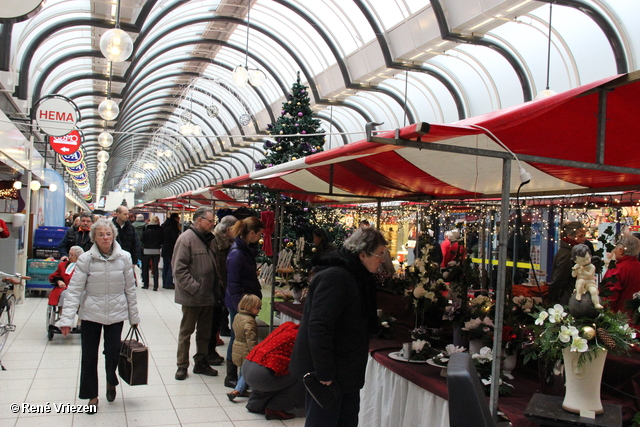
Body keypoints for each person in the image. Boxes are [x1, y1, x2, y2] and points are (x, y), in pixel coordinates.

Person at [290, 226, 387, 426]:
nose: (382, 260)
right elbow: (319, 328)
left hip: (345, 369)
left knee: (346, 419)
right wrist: (324, 372)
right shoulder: (337, 277)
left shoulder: (357, 276)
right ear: (362, 254)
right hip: (329, 372)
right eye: (379, 255)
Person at [56, 218, 139, 412]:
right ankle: (92, 395)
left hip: (116, 313)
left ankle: (111, 378)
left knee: (112, 352)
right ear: (94, 237)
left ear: (113, 236)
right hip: (91, 314)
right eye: (101, 234)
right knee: (89, 356)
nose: (105, 238)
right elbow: (74, 290)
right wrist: (67, 319)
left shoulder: (125, 257)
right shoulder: (85, 259)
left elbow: (130, 289)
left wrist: (134, 317)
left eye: (108, 234)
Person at [173, 207, 224, 380]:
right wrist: (195, 288)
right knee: (186, 332)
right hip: (192, 296)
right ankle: (182, 365)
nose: (212, 224)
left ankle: (201, 361)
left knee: (204, 332)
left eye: (213, 221)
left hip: (208, 296)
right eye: (210, 221)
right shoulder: (186, 239)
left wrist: (217, 287)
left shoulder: (211, 240)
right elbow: (179, 270)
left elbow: (215, 265)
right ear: (199, 220)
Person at [224, 216, 265, 388]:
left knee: (240, 338)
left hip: (245, 304)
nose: (260, 237)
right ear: (251, 233)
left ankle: (239, 376)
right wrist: (242, 308)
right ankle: (231, 376)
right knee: (237, 339)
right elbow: (233, 284)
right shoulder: (238, 254)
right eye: (259, 234)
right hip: (241, 306)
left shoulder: (244, 251)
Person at [243, 321, 305, 420]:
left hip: (248, 365)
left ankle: (255, 405)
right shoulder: (304, 338)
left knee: (277, 375)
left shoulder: (287, 326)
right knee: (302, 375)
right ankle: (276, 408)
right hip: (261, 374)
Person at [208, 215, 238, 366]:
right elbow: (218, 267)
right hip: (216, 286)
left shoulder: (228, 242)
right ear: (228, 229)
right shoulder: (216, 243)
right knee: (213, 320)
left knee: (217, 317)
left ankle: (212, 349)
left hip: (222, 286)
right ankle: (209, 351)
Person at [227, 294, 262, 401]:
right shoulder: (249, 321)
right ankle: (237, 390)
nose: (259, 310)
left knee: (242, 371)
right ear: (249, 307)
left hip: (237, 347)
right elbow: (251, 339)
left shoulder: (238, 316)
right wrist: (254, 352)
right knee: (245, 373)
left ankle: (241, 389)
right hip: (245, 350)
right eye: (258, 308)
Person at [549, 221, 588, 306]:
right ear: (570, 236)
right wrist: (553, 299)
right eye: (580, 236)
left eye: (584, 236)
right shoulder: (568, 254)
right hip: (567, 299)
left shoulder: (573, 251)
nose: (583, 239)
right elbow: (559, 279)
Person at [603, 234, 640, 317]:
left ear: (621, 250)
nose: (614, 251)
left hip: (620, 321)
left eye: (615, 248)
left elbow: (609, 299)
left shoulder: (617, 269)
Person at [571, 244, 602, 308]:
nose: (586, 262)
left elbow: (590, 275)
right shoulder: (577, 266)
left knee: (593, 291)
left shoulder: (591, 267)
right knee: (580, 281)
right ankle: (578, 294)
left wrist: (583, 272)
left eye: (587, 259)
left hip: (590, 283)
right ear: (576, 261)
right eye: (582, 261)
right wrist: (574, 271)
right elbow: (573, 276)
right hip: (581, 284)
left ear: (590, 256)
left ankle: (596, 304)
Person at [141, 216, 163, 291]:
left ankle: (146, 285)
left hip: (147, 250)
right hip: (156, 250)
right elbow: (163, 240)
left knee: (145, 268)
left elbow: (142, 239)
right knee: (155, 268)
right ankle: (155, 286)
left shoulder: (146, 229)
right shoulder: (160, 230)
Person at [161, 213, 181, 289]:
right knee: (171, 265)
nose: (179, 219)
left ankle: (164, 282)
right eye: (178, 217)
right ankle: (169, 282)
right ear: (175, 218)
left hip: (165, 247)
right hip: (171, 248)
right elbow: (174, 238)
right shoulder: (173, 227)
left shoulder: (164, 225)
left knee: (165, 265)